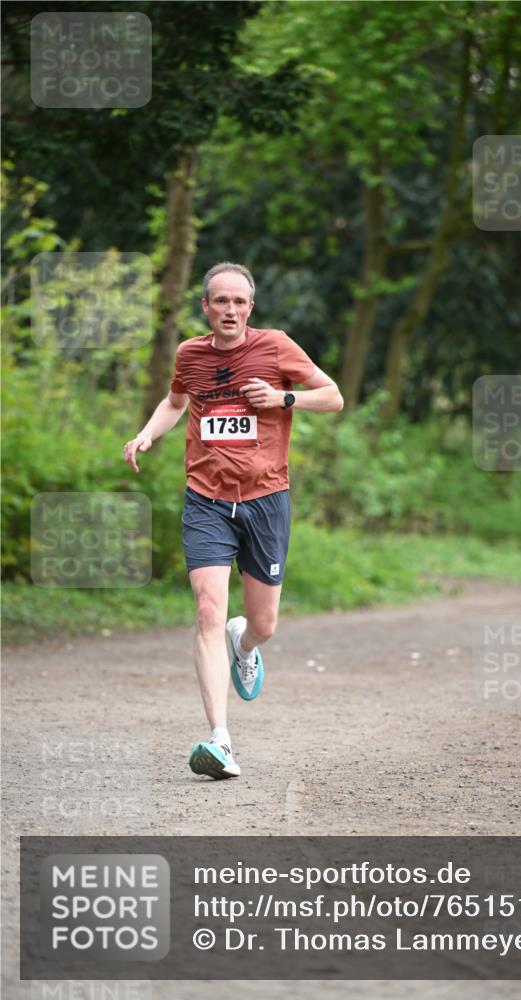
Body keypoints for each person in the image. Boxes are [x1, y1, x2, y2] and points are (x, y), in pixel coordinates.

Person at [123, 262, 343, 778]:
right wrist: (148, 434)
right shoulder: (190, 354)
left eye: (239, 302)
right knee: (206, 611)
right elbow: (175, 402)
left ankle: (244, 644)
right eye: (220, 301)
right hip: (206, 499)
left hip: (266, 498)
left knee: (263, 623)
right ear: (206, 307)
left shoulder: (277, 347)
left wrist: (283, 397)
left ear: (250, 307)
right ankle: (220, 740)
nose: (230, 310)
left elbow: (333, 396)